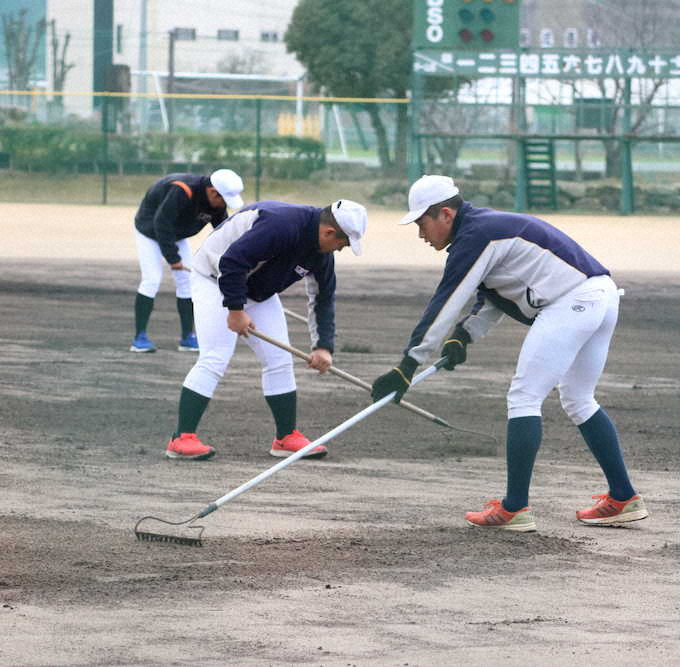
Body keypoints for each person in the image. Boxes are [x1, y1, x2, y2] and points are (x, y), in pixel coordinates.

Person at [370, 175, 648, 532]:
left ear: (445, 214)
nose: (421, 234)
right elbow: (495, 294)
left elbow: (446, 301)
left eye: (422, 223)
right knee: (578, 398)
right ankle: (624, 497)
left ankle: (514, 508)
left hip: (572, 300)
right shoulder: (485, 229)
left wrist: (408, 365)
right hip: (600, 295)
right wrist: (464, 336)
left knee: (524, 397)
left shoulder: (475, 236)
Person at [164, 198, 368, 461]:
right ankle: (181, 438)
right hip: (214, 279)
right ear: (329, 232)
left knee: (279, 360)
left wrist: (323, 347)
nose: (341, 249)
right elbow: (232, 262)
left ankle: (285, 437)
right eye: (343, 243)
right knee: (215, 356)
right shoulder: (281, 225)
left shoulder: (322, 255)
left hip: (256, 291)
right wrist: (236, 310)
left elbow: (323, 299)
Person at [130, 169, 245, 353]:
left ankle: (187, 337)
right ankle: (139, 338)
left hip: (176, 234)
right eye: (223, 199)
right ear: (213, 192)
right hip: (149, 231)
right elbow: (161, 223)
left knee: (187, 283)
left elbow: (223, 234)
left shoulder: (217, 204)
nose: (223, 205)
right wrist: (173, 258)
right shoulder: (182, 190)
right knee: (151, 280)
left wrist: (232, 262)